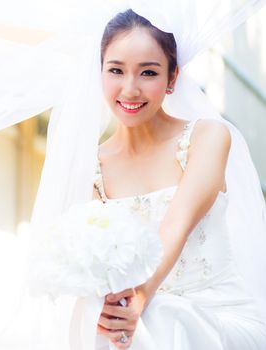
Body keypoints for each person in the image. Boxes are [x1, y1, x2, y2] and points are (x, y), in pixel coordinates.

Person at [89, 9, 266, 349]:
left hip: (219, 318)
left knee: (163, 319)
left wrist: (141, 298)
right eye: (115, 70)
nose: (130, 88)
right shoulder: (92, 167)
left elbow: (176, 224)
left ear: (172, 78)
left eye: (148, 72)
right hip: (142, 320)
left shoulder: (208, 137)